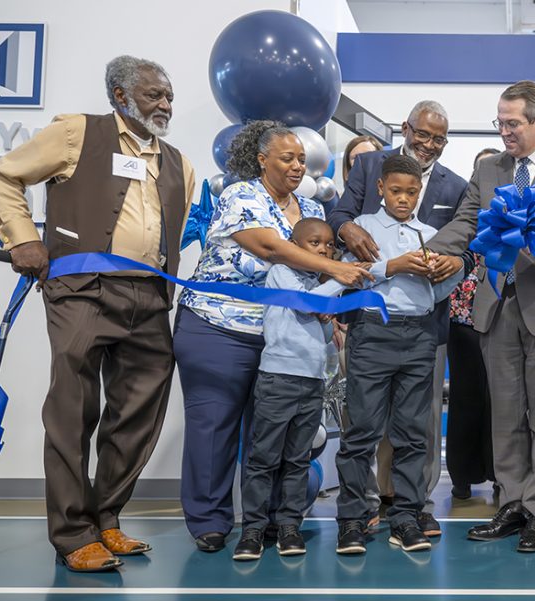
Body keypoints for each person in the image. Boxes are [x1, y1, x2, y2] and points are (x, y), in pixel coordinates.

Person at [0, 55, 195, 572]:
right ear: (121, 97)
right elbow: (4, 176)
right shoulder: (78, 133)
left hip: (149, 298)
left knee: (138, 414)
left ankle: (106, 519)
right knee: (72, 410)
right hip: (82, 290)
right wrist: (24, 239)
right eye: (153, 95)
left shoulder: (179, 163)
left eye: (168, 95)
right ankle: (72, 532)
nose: (165, 104)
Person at [174, 121, 371, 553]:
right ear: (262, 160)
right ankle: (210, 521)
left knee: (273, 438)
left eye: (302, 158)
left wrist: (331, 317)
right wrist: (335, 270)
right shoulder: (240, 194)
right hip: (218, 328)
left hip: (279, 339)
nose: (298, 166)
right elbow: (267, 247)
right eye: (288, 158)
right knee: (214, 428)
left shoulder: (308, 208)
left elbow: (312, 275)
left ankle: (269, 523)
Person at [428, 80, 535, 553]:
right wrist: (424, 249)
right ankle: (512, 501)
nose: (504, 131)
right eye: (499, 122)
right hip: (496, 307)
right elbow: (466, 222)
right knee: (505, 416)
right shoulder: (488, 168)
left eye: (513, 123)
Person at [329, 101, 468, 536]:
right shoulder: (368, 170)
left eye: (438, 139)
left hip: (423, 330)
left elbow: (458, 252)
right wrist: (371, 250)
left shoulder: (452, 192)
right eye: (422, 134)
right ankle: (357, 511)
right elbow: (340, 225)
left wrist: (453, 266)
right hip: (371, 327)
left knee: (415, 428)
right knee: (363, 426)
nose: (429, 144)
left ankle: (411, 509)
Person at [233, 218, 345, 561]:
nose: (324, 250)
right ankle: (253, 528)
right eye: (315, 243)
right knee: (264, 457)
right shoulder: (281, 271)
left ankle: (288, 526)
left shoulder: (317, 286)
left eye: (329, 245)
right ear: (295, 246)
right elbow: (304, 304)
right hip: (278, 380)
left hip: (311, 383)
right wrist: (341, 276)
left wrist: (328, 319)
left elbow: (323, 337)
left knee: (297, 460)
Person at [446, 148, 500, 501]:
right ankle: (462, 476)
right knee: (465, 399)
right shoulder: (464, 217)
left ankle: (499, 473)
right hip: (462, 318)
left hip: (500, 316)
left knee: (502, 400)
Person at [320, 134, 382, 223]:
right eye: (355, 157)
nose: (362, 160)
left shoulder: (391, 198)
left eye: (368, 155)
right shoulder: (341, 205)